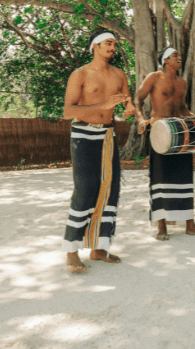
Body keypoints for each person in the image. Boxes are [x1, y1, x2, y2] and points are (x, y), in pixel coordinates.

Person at [62, 30, 135, 272]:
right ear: (95, 45)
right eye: (108, 43)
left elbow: (128, 103)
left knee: (110, 190)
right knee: (85, 189)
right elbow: (68, 111)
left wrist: (130, 110)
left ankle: (99, 248)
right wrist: (103, 105)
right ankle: (72, 251)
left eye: (115, 43)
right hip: (83, 135)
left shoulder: (118, 74)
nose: (113, 47)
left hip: (107, 135)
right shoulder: (80, 74)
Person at [134, 47, 195, 241]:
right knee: (161, 176)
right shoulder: (154, 77)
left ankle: (190, 224)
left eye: (179, 55)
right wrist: (141, 120)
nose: (179, 58)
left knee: (184, 176)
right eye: (175, 55)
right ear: (166, 60)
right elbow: (138, 99)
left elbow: (183, 108)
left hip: (179, 130)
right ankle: (161, 226)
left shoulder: (182, 83)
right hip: (159, 129)